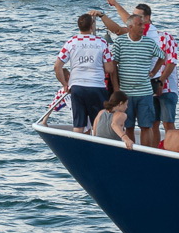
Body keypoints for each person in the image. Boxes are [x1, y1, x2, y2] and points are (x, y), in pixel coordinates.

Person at [99, 11, 165, 149]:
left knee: (146, 126)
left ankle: (146, 153)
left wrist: (153, 72)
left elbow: (162, 56)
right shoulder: (120, 42)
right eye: (139, 25)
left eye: (143, 24)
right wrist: (116, 88)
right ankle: (131, 151)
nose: (142, 27)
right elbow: (113, 66)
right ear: (130, 27)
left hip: (145, 92)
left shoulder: (149, 42)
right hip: (126, 93)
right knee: (127, 126)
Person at [55, 13, 115, 133]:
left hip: (77, 86)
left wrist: (65, 84)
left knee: (79, 124)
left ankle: (78, 149)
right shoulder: (102, 42)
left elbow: (57, 66)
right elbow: (110, 69)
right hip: (97, 86)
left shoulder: (71, 42)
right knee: (99, 124)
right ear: (92, 26)